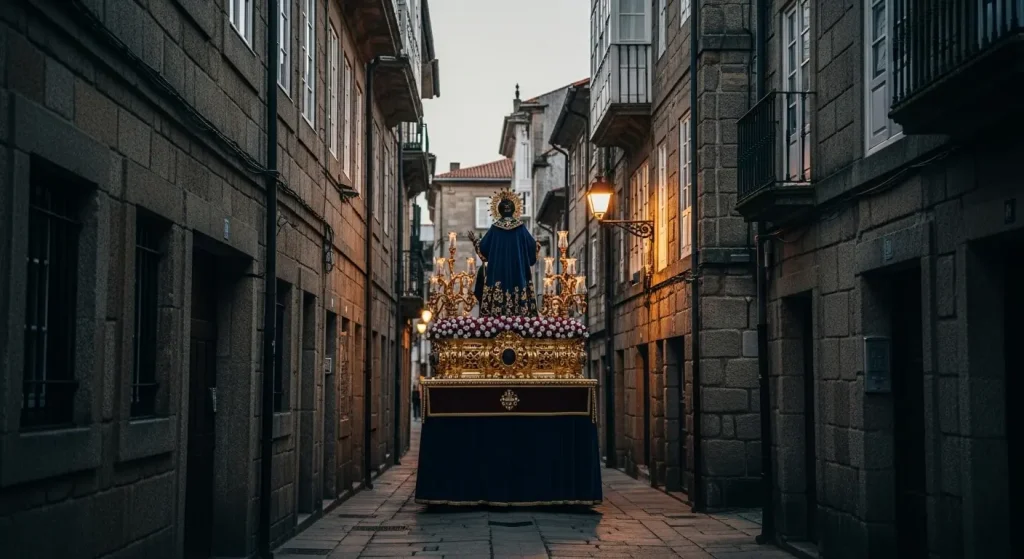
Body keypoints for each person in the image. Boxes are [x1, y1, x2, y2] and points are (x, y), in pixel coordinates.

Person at [470, 190, 540, 317]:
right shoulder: (521, 228)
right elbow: (532, 249)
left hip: (498, 274)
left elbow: (483, 250)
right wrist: (537, 246)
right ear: (514, 210)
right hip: (518, 275)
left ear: (499, 210)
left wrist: (475, 242)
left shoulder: (495, 228)